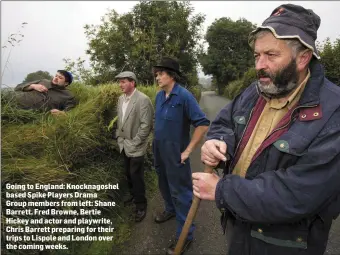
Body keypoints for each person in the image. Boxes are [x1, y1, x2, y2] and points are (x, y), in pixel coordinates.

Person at [192, 4, 340, 255]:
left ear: (303, 58)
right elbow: (223, 122)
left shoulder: (333, 112)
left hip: (285, 245)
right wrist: (217, 141)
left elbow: (296, 195)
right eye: (256, 55)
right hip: (239, 229)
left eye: (271, 55)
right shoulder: (256, 90)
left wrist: (221, 190)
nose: (260, 65)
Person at [152, 57, 210, 254]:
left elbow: (202, 124)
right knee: (163, 184)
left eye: (160, 73)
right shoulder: (159, 96)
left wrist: (188, 151)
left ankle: (185, 234)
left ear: (172, 75)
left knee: (181, 193)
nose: (157, 77)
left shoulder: (184, 96)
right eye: (156, 74)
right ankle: (169, 210)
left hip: (176, 154)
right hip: (159, 150)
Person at [115, 71, 154, 222]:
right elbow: (121, 120)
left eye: (123, 82)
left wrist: (136, 141)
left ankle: (141, 205)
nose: (120, 85)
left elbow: (146, 125)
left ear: (132, 82)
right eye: (120, 82)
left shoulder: (143, 100)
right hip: (123, 144)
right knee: (128, 173)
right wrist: (119, 137)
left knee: (136, 176)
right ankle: (133, 196)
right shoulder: (120, 99)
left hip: (136, 146)